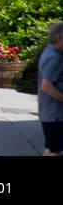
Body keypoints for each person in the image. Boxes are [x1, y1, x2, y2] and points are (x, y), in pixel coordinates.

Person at [39, 22, 63, 156]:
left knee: (51, 148)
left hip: (50, 113)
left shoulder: (50, 51)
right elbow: (46, 86)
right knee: (55, 151)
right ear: (58, 38)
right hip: (56, 114)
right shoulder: (55, 58)